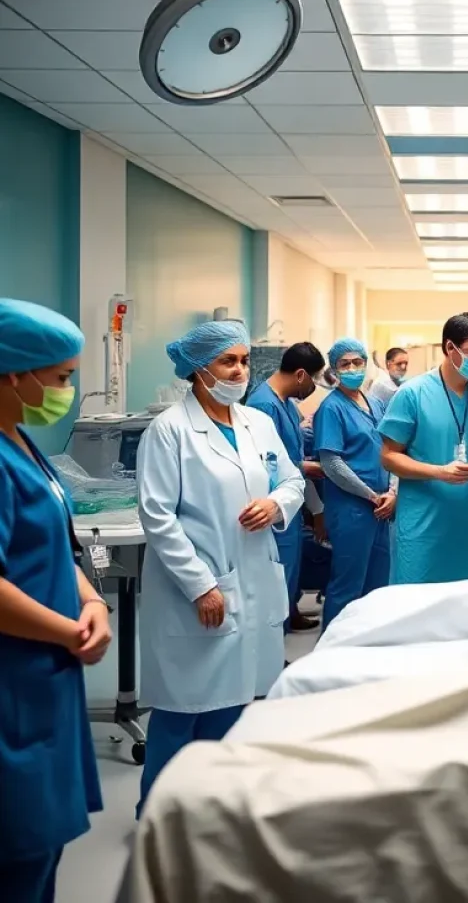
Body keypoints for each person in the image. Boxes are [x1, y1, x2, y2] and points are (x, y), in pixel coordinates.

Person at [135, 320, 306, 815]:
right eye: (227, 362)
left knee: (236, 704)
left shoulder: (257, 423)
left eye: (244, 360)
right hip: (201, 590)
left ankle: (214, 812)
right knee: (182, 709)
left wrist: (275, 504)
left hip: (253, 578)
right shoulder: (169, 431)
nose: (239, 371)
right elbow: (158, 516)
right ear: (198, 370)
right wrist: (201, 586)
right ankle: (158, 816)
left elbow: (292, 480)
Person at [0, 300, 109, 902]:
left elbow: (52, 548)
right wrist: (67, 633)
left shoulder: (21, 441)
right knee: (18, 852)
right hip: (14, 680)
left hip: (43, 676)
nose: (68, 390)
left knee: (40, 850)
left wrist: (92, 602)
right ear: (15, 374)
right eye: (63, 377)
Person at [380, 312, 468, 584]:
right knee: (417, 606)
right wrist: (438, 472)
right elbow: (388, 456)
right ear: (449, 348)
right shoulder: (412, 394)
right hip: (424, 525)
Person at [246, 342, 329, 633]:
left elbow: (291, 453)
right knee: (274, 577)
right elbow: (270, 464)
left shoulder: (284, 404)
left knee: (288, 571)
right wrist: (310, 469)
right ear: (302, 375)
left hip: (289, 503)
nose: (315, 387)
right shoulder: (263, 405)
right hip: (273, 505)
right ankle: (271, 642)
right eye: (316, 380)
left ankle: (286, 617)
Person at [314, 338, 394, 630]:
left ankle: (370, 645)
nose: (352, 368)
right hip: (352, 509)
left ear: (366, 363)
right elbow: (331, 464)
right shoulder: (331, 408)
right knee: (347, 585)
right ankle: (333, 653)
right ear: (334, 370)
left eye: (357, 362)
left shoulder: (375, 402)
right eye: (344, 364)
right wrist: (372, 496)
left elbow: (391, 449)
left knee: (378, 585)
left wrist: (393, 492)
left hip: (382, 508)